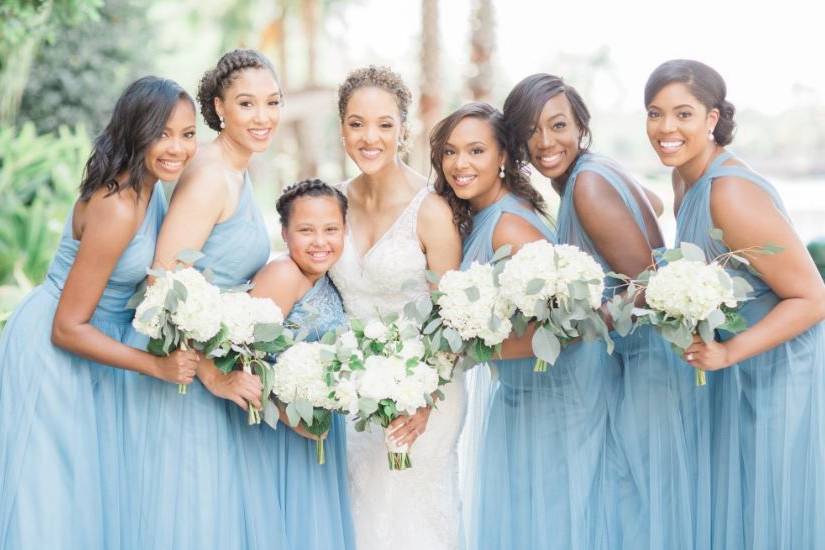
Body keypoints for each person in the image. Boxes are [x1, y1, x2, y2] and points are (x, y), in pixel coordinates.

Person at [504, 72, 710, 549]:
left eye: (558, 126)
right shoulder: (597, 171)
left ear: (580, 125)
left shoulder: (586, 187)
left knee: (637, 509)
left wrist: (575, 312)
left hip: (644, 372)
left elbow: (649, 288)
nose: (545, 141)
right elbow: (654, 202)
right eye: (530, 131)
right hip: (637, 368)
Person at [0, 76, 199, 550]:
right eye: (163, 133)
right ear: (136, 132)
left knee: (91, 500)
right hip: (57, 349)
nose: (177, 148)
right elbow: (66, 328)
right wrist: (156, 366)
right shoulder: (117, 205)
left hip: (101, 346)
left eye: (188, 134)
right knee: (50, 506)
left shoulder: (156, 187)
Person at [645, 58, 825, 550]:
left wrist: (729, 352)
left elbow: (813, 298)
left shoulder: (730, 194)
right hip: (737, 366)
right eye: (654, 114)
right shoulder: (684, 177)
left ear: (711, 118)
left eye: (683, 114)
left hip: (781, 371)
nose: (665, 128)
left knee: (771, 513)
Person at [124, 50, 289, 550]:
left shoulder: (241, 168)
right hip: (189, 379)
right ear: (218, 108)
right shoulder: (210, 176)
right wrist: (214, 376)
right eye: (247, 104)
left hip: (214, 364)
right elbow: (164, 284)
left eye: (272, 102)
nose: (263, 117)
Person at [328, 65, 465, 550]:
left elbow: (453, 319)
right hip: (351, 395)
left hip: (424, 395)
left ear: (403, 129)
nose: (370, 137)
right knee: (359, 517)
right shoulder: (333, 203)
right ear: (341, 127)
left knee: (410, 524)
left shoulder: (431, 211)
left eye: (385, 124)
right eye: (357, 123)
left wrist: (424, 398)